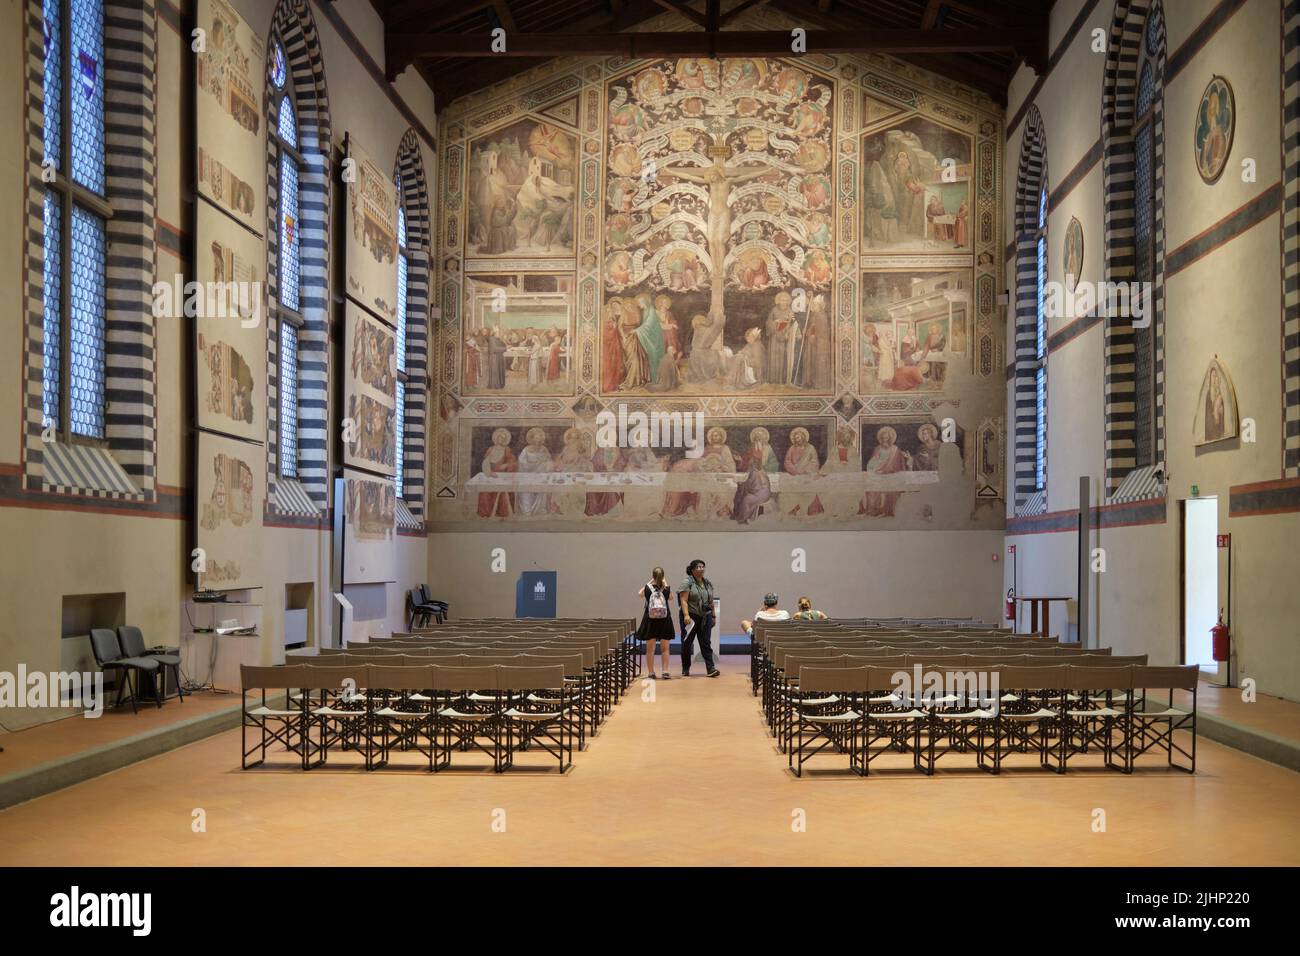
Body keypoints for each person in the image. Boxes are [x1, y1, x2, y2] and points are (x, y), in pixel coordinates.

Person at [678, 559, 720, 678]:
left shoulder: (707, 583)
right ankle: (685, 668)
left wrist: (713, 615)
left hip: (705, 617)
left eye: (703, 567)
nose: (701, 569)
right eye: (698, 567)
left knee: (706, 643)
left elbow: (711, 601)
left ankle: (710, 668)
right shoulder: (687, 582)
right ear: (692, 570)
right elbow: (683, 600)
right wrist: (686, 615)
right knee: (687, 643)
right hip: (690, 617)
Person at [637, 567, 675, 679]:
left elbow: (639, 594)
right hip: (664, 620)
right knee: (665, 648)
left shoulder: (647, 588)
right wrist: (665, 582)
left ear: (653, 576)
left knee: (650, 649)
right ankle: (665, 671)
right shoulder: (666, 589)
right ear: (663, 576)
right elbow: (671, 598)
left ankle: (651, 672)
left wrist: (650, 581)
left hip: (650, 620)